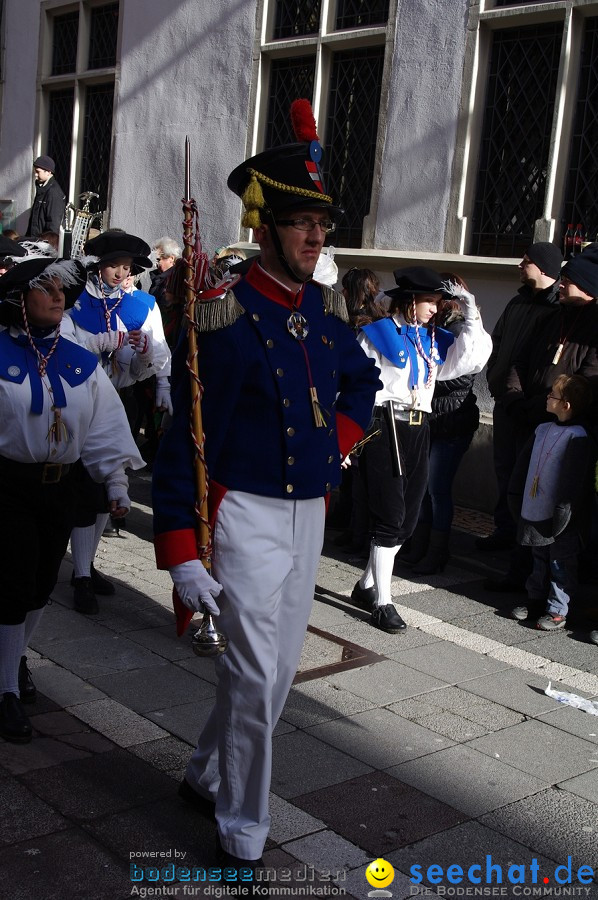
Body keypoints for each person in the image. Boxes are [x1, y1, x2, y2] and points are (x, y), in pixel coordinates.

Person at [152, 99, 381, 876]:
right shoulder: (219, 314)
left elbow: (363, 385)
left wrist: (333, 451)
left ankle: (203, 772)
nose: (316, 237)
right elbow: (186, 438)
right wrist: (181, 549)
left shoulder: (323, 310)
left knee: (277, 676)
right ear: (264, 227)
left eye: (323, 225)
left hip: (307, 509)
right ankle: (243, 829)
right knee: (252, 679)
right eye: (299, 223)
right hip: (242, 510)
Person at [0, 253, 144, 743]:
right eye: (45, 287)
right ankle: (5, 692)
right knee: (13, 580)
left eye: (63, 288)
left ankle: (14, 659)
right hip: (7, 485)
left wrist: (117, 484)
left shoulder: (80, 361)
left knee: (40, 583)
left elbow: (105, 424)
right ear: (20, 300)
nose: (59, 295)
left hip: (60, 486)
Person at [351, 267, 492, 633]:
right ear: (410, 301)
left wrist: (471, 310)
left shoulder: (431, 341)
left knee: (408, 517)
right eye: (429, 300)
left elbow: (470, 359)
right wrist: (348, 436)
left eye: (438, 301)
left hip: (418, 427)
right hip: (384, 426)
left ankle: (367, 584)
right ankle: (383, 601)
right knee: (391, 515)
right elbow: (351, 384)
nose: (436, 307)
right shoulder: (377, 335)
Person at [62, 230, 170, 610]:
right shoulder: (73, 303)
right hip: (78, 398)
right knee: (83, 487)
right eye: (114, 265)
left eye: (127, 267)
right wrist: (102, 343)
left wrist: (145, 362)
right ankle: (80, 574)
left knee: (106, 489)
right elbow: (61, 348)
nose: (121, 273)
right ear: (98, 266)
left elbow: (151, 361)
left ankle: (85, 568)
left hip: (119, 398)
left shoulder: (142, 304)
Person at [479, 242, 563, 555]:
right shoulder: (517, 302)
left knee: (527, 475)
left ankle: (523, 543)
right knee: (504, 467)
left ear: (543, 268)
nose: (519, 265)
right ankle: (504, 530)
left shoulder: (556, 307)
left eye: (525, 261)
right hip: (506, 401)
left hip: (532, 408)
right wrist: (494, 376)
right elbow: (497, 342)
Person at [403, 276, 481, 574]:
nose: (435, 305)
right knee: (421, 486)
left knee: (437, 489)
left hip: (451, 421)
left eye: (440, 300)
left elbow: (461, 376)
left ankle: (437, 552)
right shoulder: (431, 329)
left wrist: (427, 374)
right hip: (431, 418)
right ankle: (418, 543)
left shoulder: (460, 330)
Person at [508, 375, 596, 630]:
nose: (548, 397)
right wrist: (515, 496)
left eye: (553, 396)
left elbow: (574, 482)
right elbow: (522, 466)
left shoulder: (579, 436)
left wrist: (563, 514)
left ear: (566, 405)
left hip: (561, 515)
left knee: (560, 562)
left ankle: (557, 609)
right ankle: (535, 598)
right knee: (538, 556)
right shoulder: (542, 429)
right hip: (536, 508)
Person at [26, 155, 66, 238]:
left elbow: (53, 224)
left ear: (48, 172)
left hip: (44, 245)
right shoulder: (42, 188)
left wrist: (46, 245)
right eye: (35, 172)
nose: (35, 175)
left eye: (38, 172)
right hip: (36, 242)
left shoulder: (53, 193)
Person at [149, 237, 182, 310]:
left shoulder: (177, 277)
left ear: (171, 258)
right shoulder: (157, 278)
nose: (156, 263)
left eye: (158, 259)